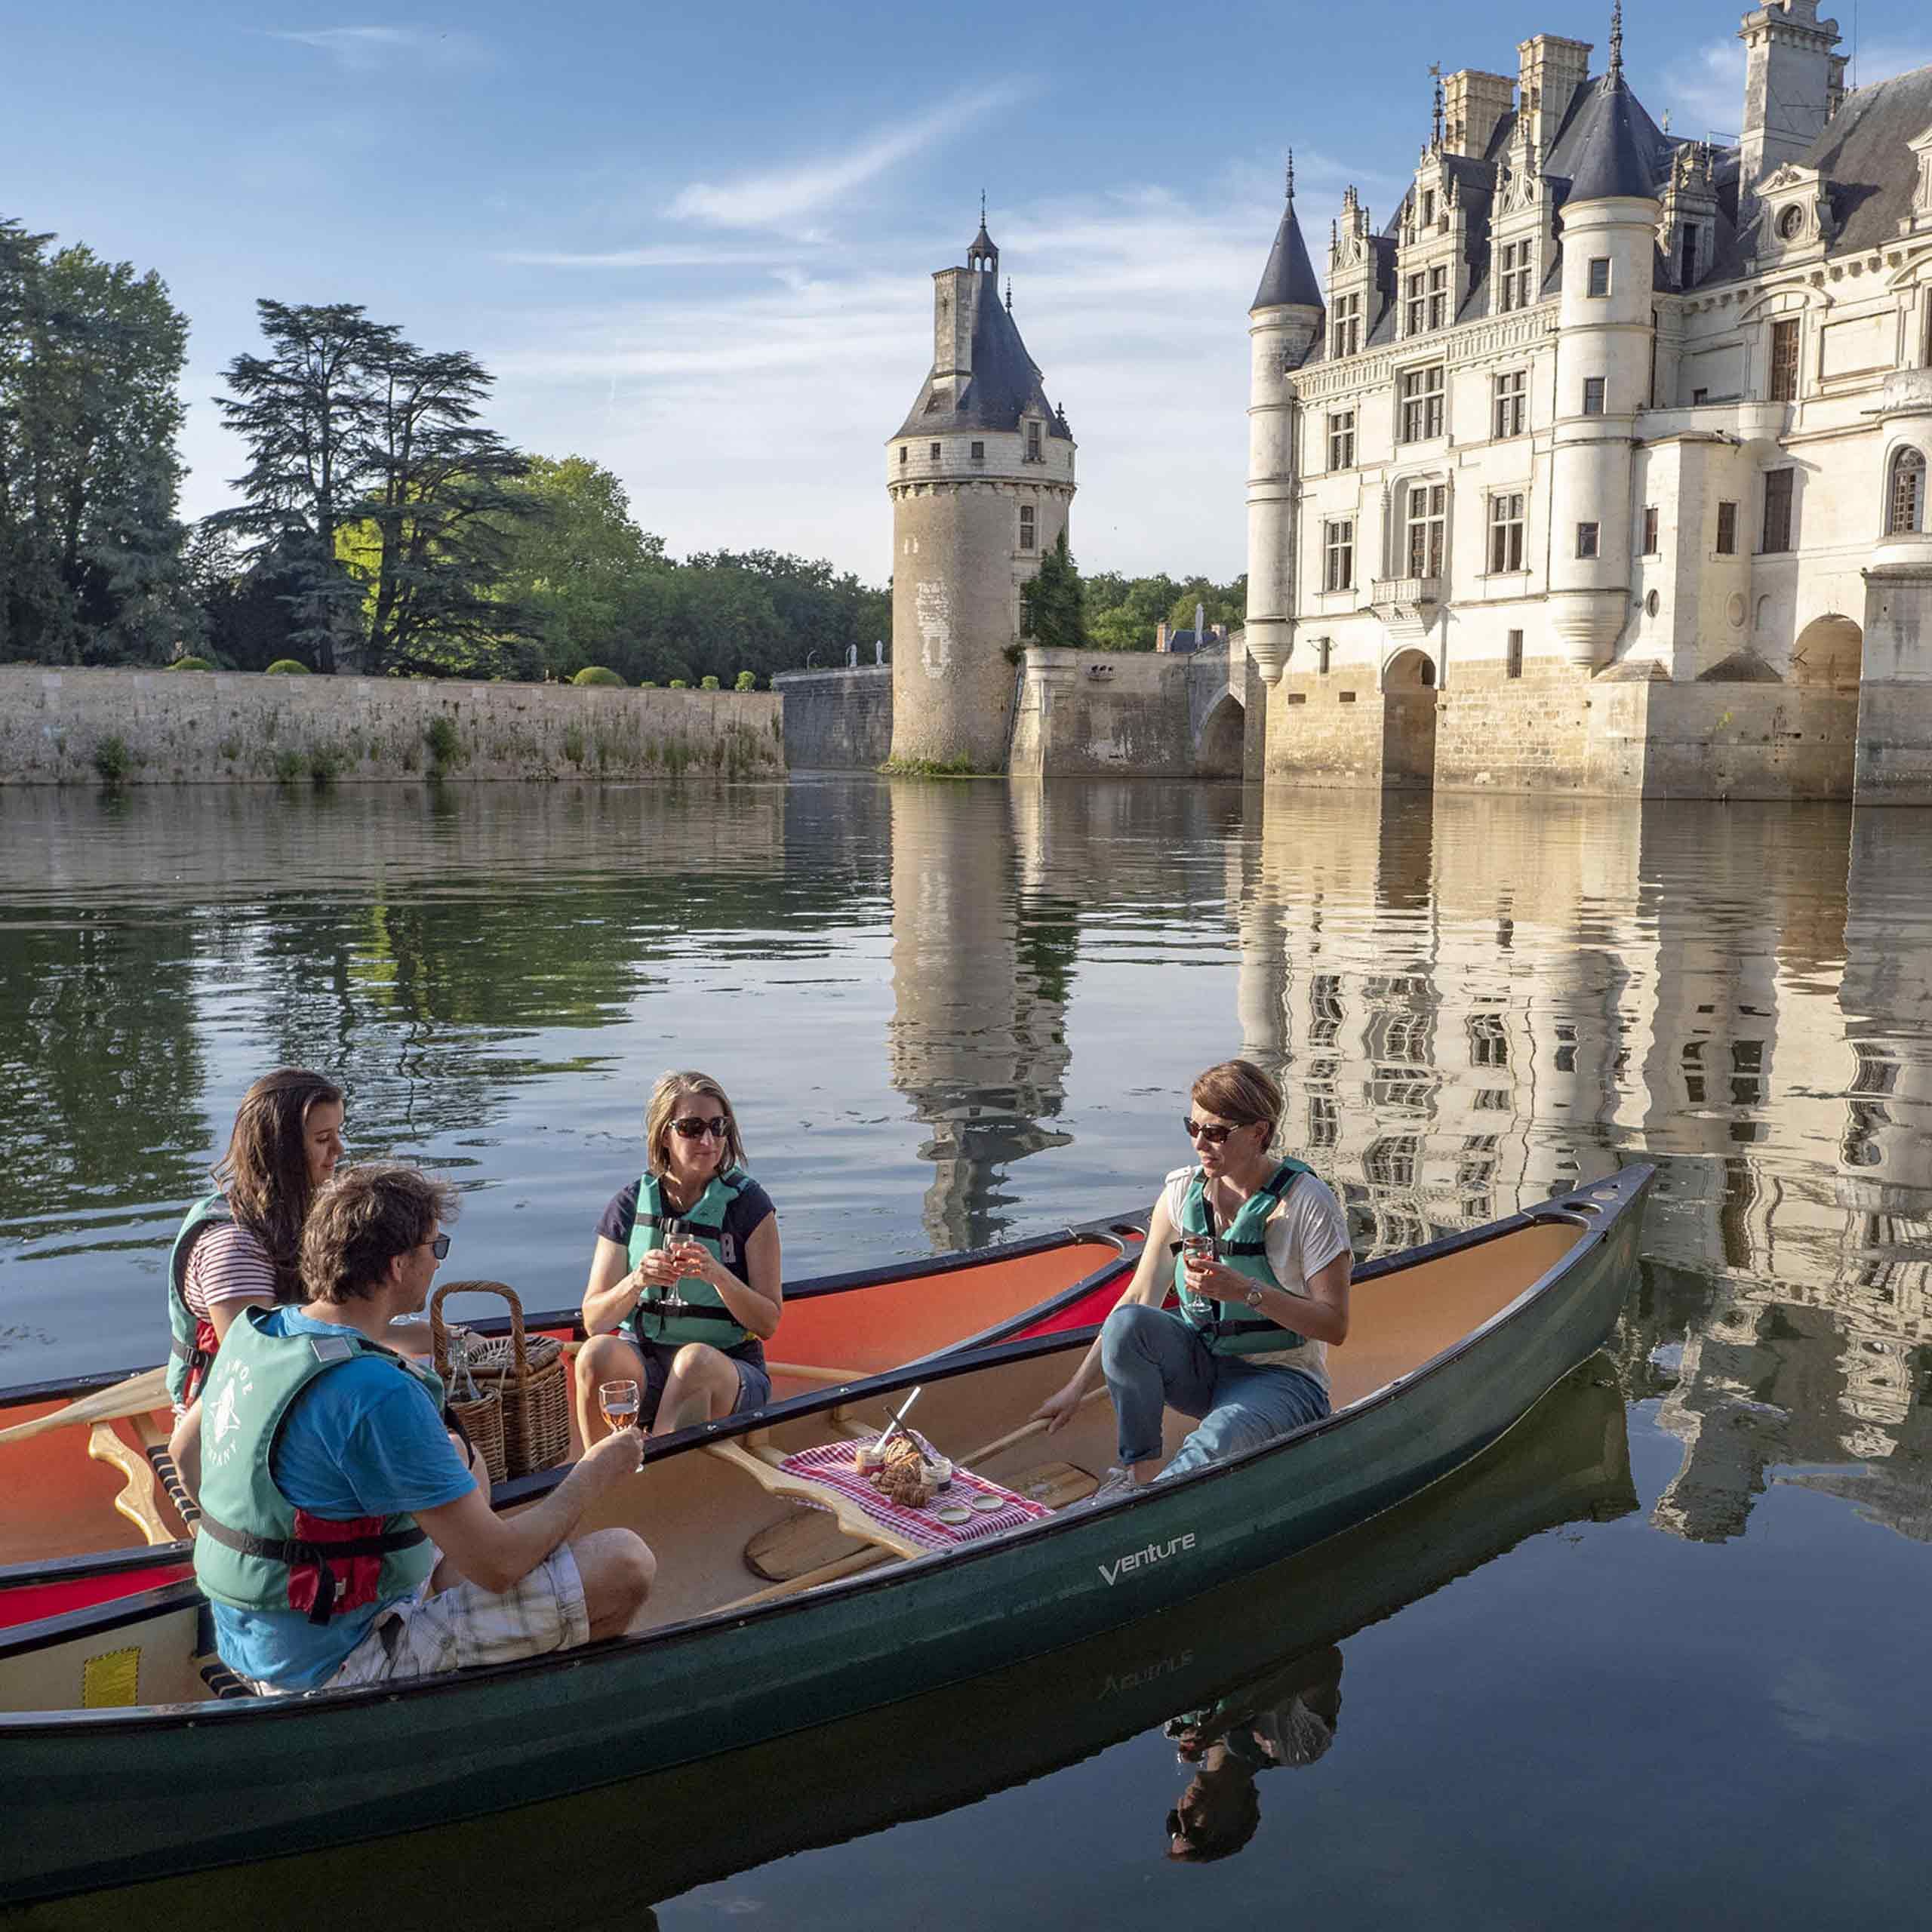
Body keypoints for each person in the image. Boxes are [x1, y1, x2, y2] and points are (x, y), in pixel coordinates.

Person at [192, 1164, 653, 1694]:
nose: (438, 1262)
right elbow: (500, 1565)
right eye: (437, 1248)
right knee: (624, 1563)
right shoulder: (375, 1390)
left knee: (461, 1459)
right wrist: (593, 1471)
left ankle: (464, 1617)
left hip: (252, 1641)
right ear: (396, 1266)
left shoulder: (265, 1333)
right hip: (334, 1667)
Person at [1033, 1059, 1351, 1501]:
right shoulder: (1181, 1193)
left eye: (1217, 1132)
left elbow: (1334, 1326)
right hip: (1202, 1367)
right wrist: (1075, 1388)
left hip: (1284, 1378)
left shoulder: (1308, 1204)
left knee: (1215, 1441)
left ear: (1259, 1132)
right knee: (1130, 1324)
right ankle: (1138, 1476)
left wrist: (1246, 1291)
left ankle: (1155, 1503)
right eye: (1193, 1126)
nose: (1201, 1142)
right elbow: (1139, 1297)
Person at [577, 1071, 781, 1440]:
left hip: (728, 1371)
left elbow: (768, 1322)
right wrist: (637, 1280)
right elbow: (593, 1321)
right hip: (647, 1366)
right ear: (664, 1135)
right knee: (596, 1354)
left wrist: (717, 1275)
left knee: (694, 1362)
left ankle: (658, 1472)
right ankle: (598, 1480)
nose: (709, 1139)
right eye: (691, 1127)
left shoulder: (750, 1205)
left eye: (718, 1126)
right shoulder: (628, 1204)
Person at [1164, 1645, 1344, 1863]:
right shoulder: (1293, 1745)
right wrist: (1238, 1715)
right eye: (1195, 1832)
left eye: (1174, 1827)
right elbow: (1325, 1661)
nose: (1183, 1815)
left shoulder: (1176, 1726)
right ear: (1236, 1818)